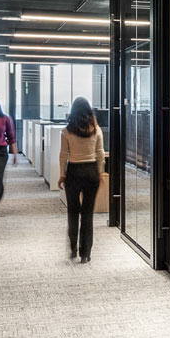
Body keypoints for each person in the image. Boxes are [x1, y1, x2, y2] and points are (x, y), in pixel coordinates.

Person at [57, 97, 106, 263]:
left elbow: (63, 155)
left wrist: (62, 175)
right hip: (91, 171)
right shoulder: (96, 130)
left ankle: (72, 248)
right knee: (87, 214)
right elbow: (100, 154)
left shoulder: (66, 131)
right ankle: (86, 253)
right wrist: (100, 173)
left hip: (74, 172)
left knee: (73, 211)